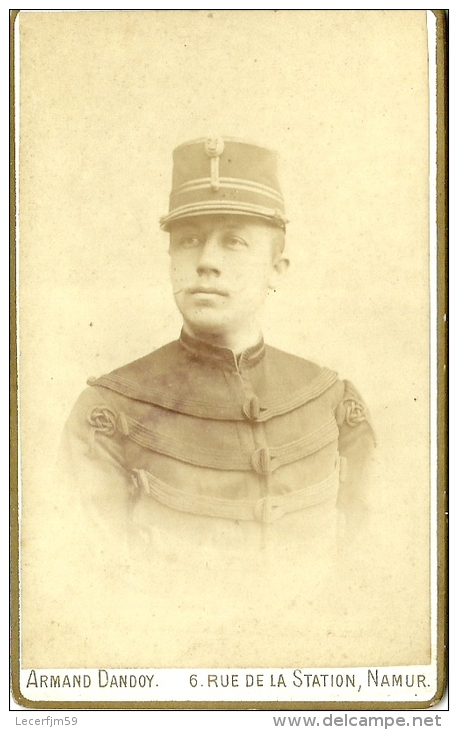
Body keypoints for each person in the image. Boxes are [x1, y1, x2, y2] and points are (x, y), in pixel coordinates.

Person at [60, 136, 376, 574]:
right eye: (189, 240)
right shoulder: (110, 413)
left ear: (276, 269)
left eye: (233, 242)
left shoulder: (331, 403)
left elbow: (370, 574)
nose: (206, 262)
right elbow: (93, 588)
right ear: (170, 259)